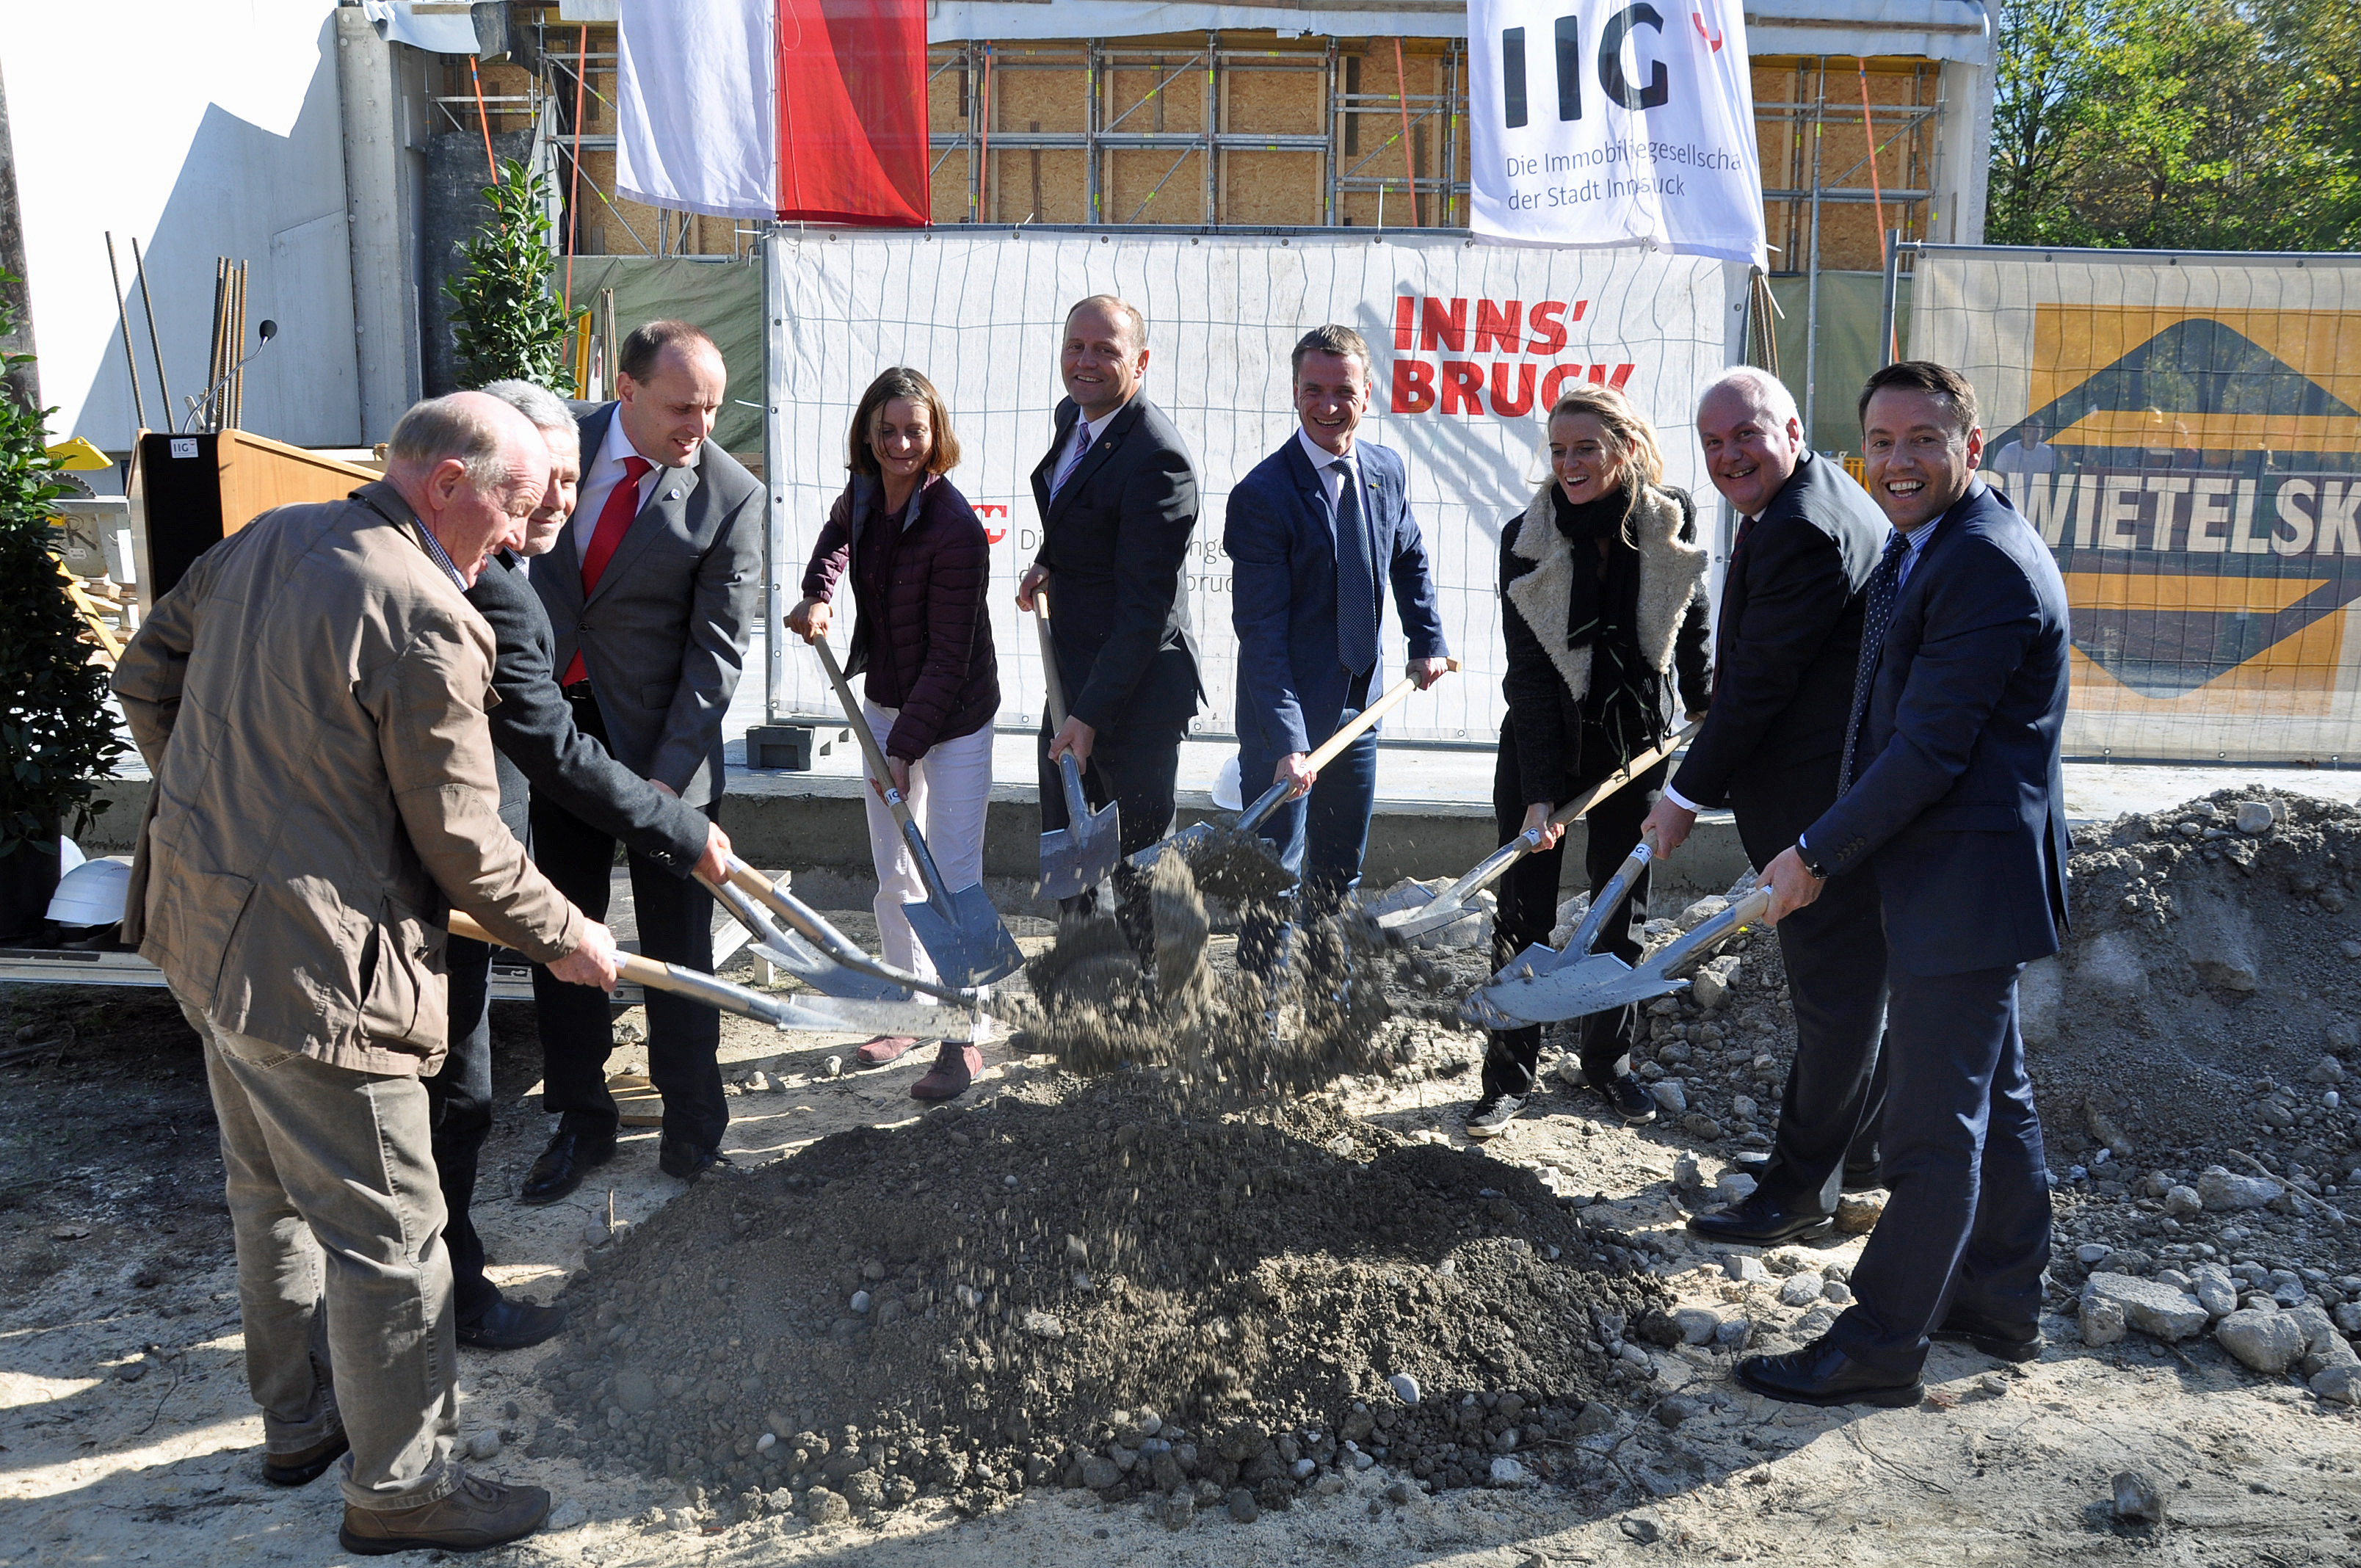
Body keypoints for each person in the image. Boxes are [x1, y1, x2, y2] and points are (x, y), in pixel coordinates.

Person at [111, 392, 620, 1553]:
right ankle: (402, 1493)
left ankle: (299, 1426)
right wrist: (566, 933)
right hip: (317, 978)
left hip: (203, 932)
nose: (520, 530)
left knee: (268, 1198)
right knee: (394, 1240)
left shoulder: (270, 537)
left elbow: (149, 677)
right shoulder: (426, 611)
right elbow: (465, 842)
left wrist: (225, 812)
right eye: (515, 503)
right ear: (444, 481)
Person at [1741, 360, 2071, 1407]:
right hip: (1953, 877)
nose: (1897, 461)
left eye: (1923, 439)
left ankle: (1883, 1342)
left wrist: (1816, 853)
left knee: (1931, 1130)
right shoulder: (1932, 549)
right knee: (1995, 1098)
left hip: (1962, 885)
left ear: (1970, 446)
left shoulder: (1983, 567)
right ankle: (2000, 1298)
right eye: (1880, 441)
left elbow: (1927, 752)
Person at [421, 379, 736, 1351]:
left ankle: (391, 1325)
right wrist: (682, 834)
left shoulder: (314, 543)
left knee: (428, 1105)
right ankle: (444, 1301)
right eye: (543, 483)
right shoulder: (481, 590)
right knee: (446, 1096)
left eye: (567, 482)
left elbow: (717, 646)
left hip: (641, 758)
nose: (556, 501)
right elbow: (547, 748)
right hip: (441, 866)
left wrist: (673, 804)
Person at [1642, 367, 1891, 1241]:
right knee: (1854, 992)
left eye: (1745, 434)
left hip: (1824, 808)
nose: (1728, 456)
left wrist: (1681, 796)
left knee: (1835, 1001)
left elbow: (1757, 690)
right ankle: (1856, 1164)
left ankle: (1795, 1196)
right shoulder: (1813, 503)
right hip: (1834, 797)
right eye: (1712, 443)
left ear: (1792, 427)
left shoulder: (1803, 531)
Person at [525, 319, 764, 1199]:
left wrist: (665, 788)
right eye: (680, 407)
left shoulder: (731, 496)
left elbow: (716, 656)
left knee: (679, 951)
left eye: (710, 408)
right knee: (561, 935)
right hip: (556, 734)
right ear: (625, 392)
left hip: (667, 748)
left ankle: (694, 1126)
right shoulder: (556, 448)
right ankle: (582, 1121)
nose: (697, 427)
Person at [1468, 385, 1711, 1139]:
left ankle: (1609, 1066)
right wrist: (1540, 797)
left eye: (1586, 449)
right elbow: (1531, 679)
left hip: (1635, 748)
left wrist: (1704, 702)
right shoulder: (1527, 539)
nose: (1569, 464)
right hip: (1547, 747)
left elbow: (1689, 615)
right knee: (1525, 914)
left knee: (1620, 914)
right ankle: (1508, 1077)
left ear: (1625, 449)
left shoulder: (1665, 519)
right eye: (1559, 450)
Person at [788, 367, 998, 1100]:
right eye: (888, 431)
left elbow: (948, 659)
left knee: (953, 876)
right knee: (893, 872)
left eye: (916, 429)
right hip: (884, 702)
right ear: (868, 438)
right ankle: (904, 1004)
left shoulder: (957, 528)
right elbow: (836, 538)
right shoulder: (865, 496)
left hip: (957, 716)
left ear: (935, 434)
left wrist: (904, 751)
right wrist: (819, 594)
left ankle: (964, 1032)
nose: (902, 442)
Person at [1226, 323, 1450, 968]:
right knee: (1272, 885)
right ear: (1295, 391)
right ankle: (1259, 1033)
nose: (1328, 406)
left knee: (1338, 876)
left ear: (1368, 391)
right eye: (1313, 390)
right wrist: (1289, 742)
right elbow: (1262, 635)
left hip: (1360, 710)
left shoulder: (1384, 470)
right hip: (1283, 723)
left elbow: (1407, 554)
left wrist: (1426, 638)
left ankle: (1328, 1013)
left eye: (1343, 390)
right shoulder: (1262, 496)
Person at [1014, 295, 1203, 962]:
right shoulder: (1078, 416)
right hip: (1074, 673)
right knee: (1068, 846)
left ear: (1141, 363)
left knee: (1141, 866)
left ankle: (1163, 1007)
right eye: (1076, 347)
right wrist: (1050, 561)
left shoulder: (1158, 460)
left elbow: (1143, 611)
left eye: (1106, 350)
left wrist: (1090, 718)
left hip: (1137, 690)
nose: (1085, 362)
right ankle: (1090, 998)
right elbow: (1083, 515)